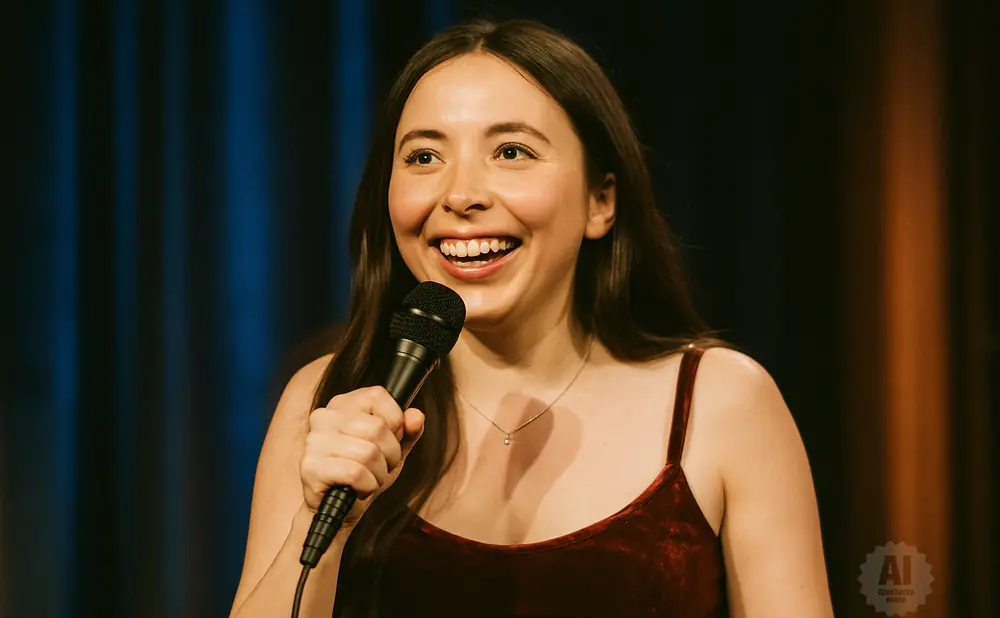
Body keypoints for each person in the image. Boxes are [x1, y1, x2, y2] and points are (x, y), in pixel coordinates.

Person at [229, 19, 834, 618]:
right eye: (423, 156)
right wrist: (321, 522)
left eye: (511, 152)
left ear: (602, 201)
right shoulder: (329, 399)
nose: (461, 194)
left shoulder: (721, 402)